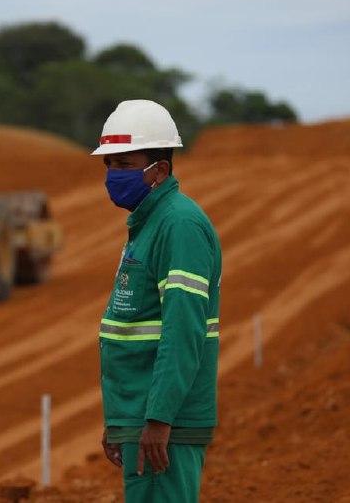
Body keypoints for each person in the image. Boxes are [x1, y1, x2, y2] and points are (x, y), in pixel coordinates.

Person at [91, 100, 222, 502]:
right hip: (143, 417)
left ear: (160, 170)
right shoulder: (151, 223)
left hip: (163, 425)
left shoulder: (178, 225)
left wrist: (158, 419)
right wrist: (121, 421)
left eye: (125, 165)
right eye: (109, 165)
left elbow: (183, 330)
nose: (114, 176)